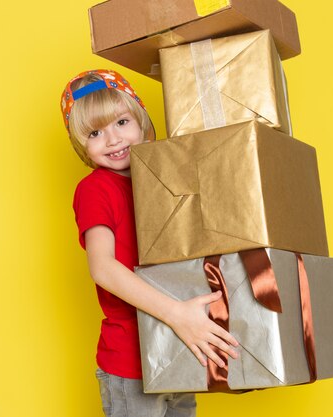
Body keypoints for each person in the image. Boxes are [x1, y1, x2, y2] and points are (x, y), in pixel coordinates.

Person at [61, 69, 240, 417]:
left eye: (121, 122)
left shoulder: (160, 184)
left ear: (141, 121)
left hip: (177, 348)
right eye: (95, 133)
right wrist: (177, 314)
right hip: (132, 361)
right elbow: (103, 268)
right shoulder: (96, 188)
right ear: (81, 145)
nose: (112, 139)